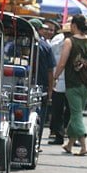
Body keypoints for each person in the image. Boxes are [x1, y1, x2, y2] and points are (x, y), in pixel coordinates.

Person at [54, 15, 87, 156]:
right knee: (77, 113)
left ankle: (83, 146)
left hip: (73, 83)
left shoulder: (69, 41)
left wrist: (54, 77)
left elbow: (62, 63)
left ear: (74, 26)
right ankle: (69, 144)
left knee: (76, 114)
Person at [28, 18, 56, 151]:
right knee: (40, 116)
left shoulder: (19, 44)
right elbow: (51, 71)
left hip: (24, 87)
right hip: (41, 89)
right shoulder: (46, 47)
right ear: (38, 30)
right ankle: (36, 144)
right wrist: (50, 90)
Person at [48, 24, 71, 145]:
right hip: (59, 80)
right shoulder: (57, 42)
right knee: (57, 110)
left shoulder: (73, 43)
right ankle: (58, 133)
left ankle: (67, 132)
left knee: (70, 110)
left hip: (70, 82)